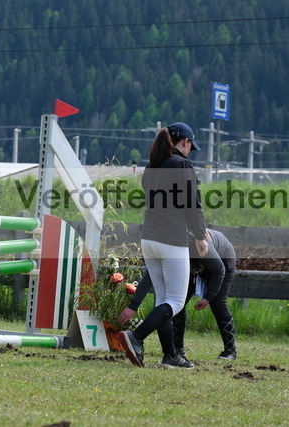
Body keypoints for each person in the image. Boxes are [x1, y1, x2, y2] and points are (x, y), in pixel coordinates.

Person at [118, 122, 208, 369]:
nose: (190, 151)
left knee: (163, 301)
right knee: (176, 302)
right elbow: (192, 203)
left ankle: (171, 356)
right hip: (171, 239)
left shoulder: (151, 167)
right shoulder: (182, 165)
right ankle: (136, 337)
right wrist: (200, 236)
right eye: (190, 146)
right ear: (185, 142)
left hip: (149, 239)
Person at [119, 228, 238, 361]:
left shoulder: (196, 242)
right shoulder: (165, 245)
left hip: (221, 260)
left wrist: (208, 297)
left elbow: (219, 270)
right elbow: (150, 275)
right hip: (192, 261)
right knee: (178, 300)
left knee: (218, 303)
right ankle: (177, 348)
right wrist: (133, 306)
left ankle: (230, 350)